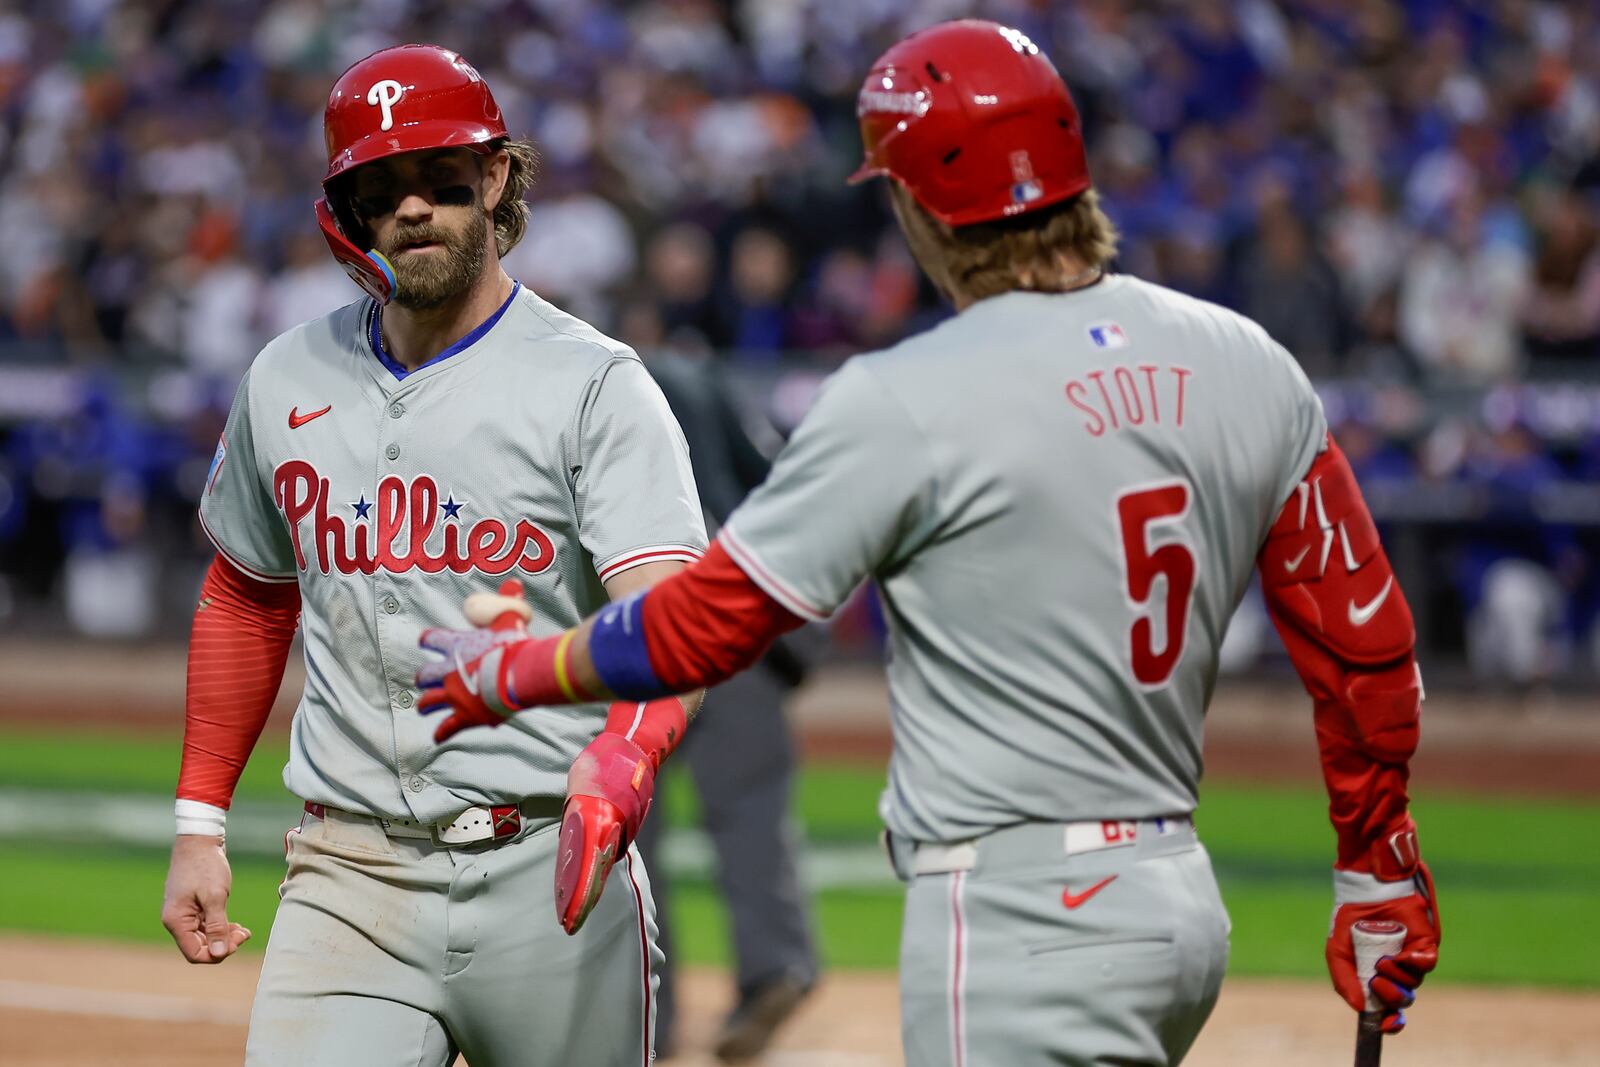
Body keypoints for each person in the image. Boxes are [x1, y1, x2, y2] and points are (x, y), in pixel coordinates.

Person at [416, 21, 1441, 1066]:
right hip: (1176, 901)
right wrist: (1378, 860)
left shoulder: (905, 395)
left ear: (914, 203)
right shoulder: (1246, 360)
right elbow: (1362, 641)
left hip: (1016, 917)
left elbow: (710, 623)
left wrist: (518, 669)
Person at [159, 44, 708, 1067]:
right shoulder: (286, 375)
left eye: (440, 177)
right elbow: (245, 592)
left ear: (496, 177)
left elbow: (672, 619)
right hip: (347, 871)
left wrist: (625, 754)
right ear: (346, 206)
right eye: (381, 184)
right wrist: (200, 819)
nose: (412, 206)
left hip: (553, 869)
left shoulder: (595, 384)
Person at [637, 351, 819, 1062]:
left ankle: (644, 1008)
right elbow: (782, 485)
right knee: (751, 814)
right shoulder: (702, 377)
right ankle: (772, 968)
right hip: (732, 620)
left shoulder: (570, 382)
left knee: (626, 826)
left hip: (638, 632)